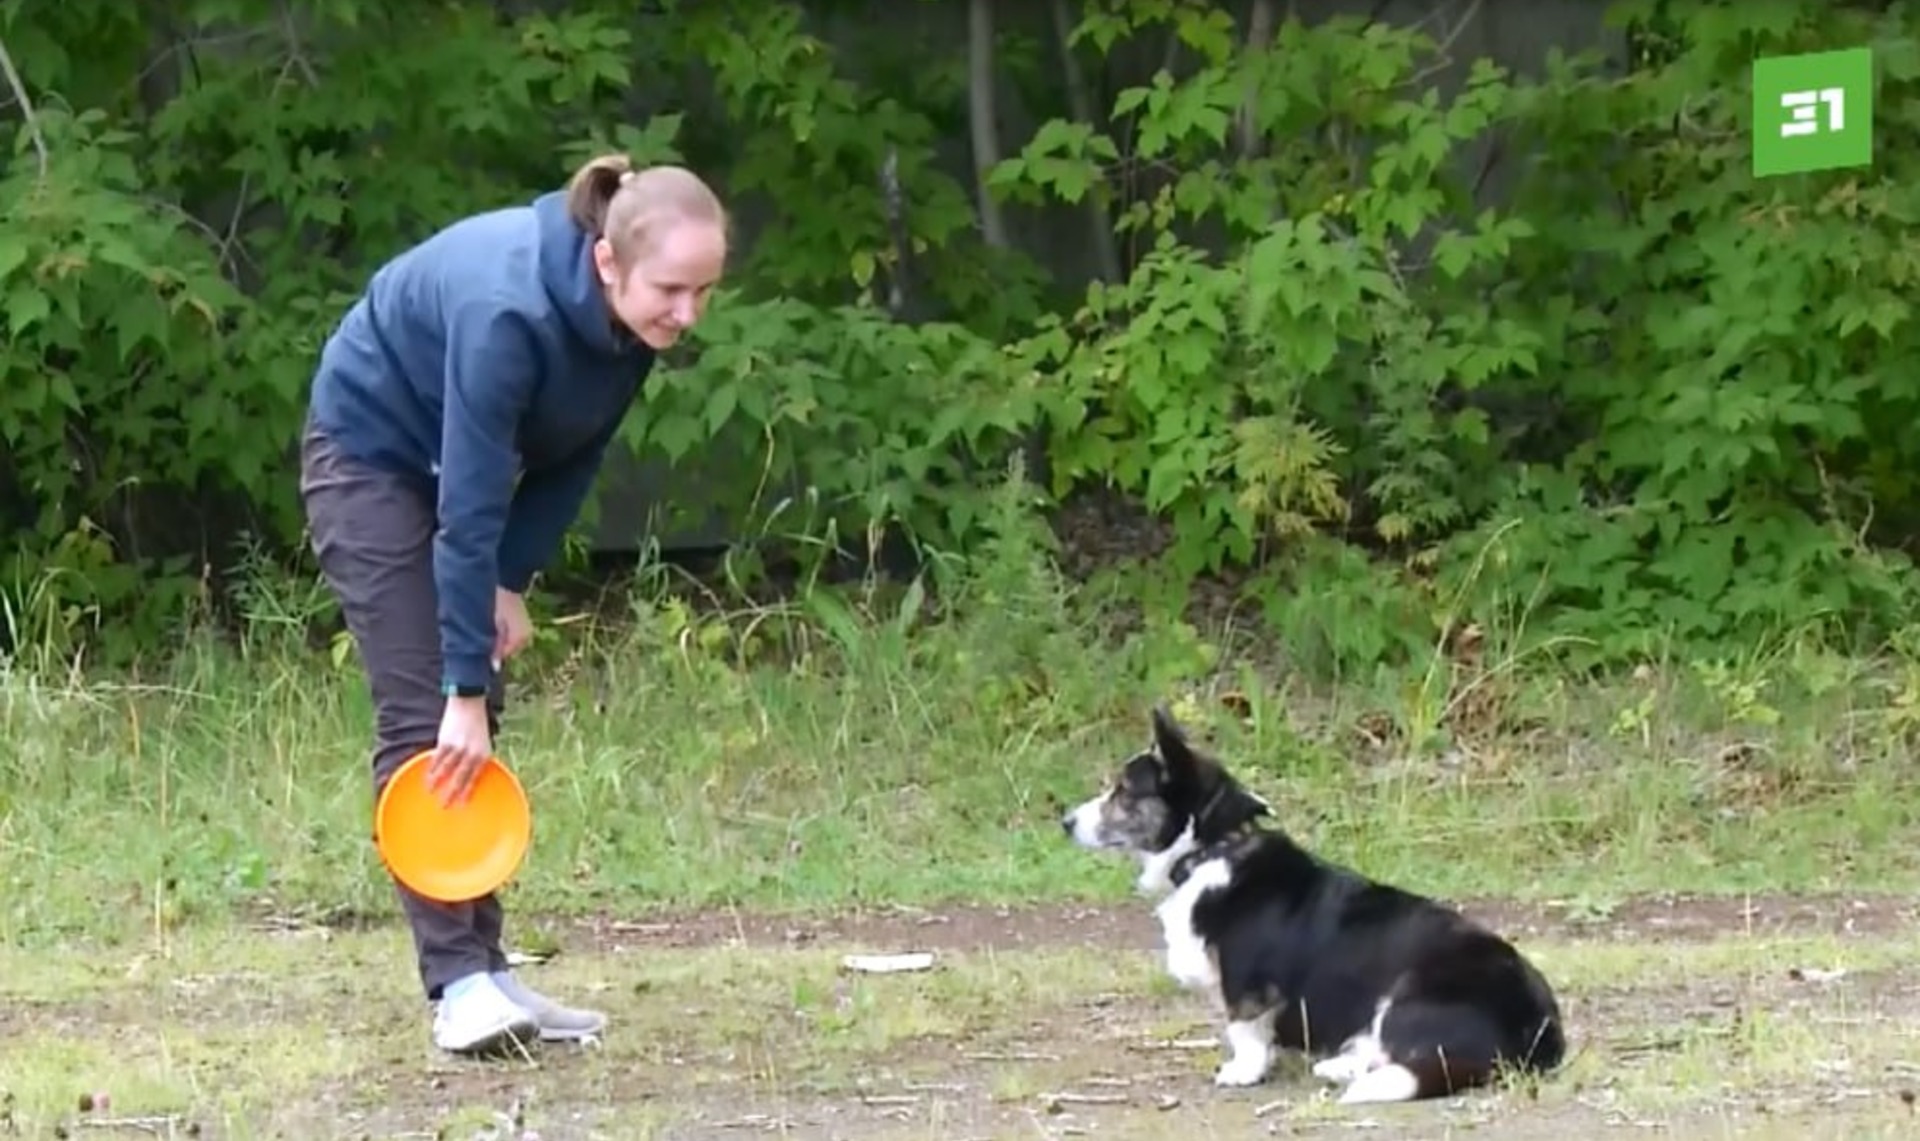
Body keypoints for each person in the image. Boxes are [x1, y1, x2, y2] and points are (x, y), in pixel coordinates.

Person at [297, 154, 729, 1056]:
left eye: (704, 292)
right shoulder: (509, 315)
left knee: (473, 700)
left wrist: (508, 582)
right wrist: (462, 684)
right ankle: (456, 988)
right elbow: (466, 506)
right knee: (431, 715)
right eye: (672, 289)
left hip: (455, 480)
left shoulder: (626, 328)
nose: (688, 314)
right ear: (608, 262)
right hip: (369, 456)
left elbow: (570, 461)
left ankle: (488, 971)